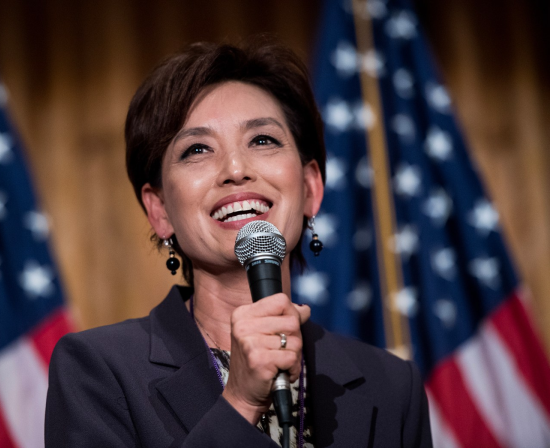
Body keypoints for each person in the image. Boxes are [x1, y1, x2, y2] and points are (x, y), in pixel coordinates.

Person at [45, 37, 432, 448]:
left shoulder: (392, 386)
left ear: (310, 186)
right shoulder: (97, 371)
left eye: (262, 140)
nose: (235, 169)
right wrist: (240, 402)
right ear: (159, 210)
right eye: (197, 149)